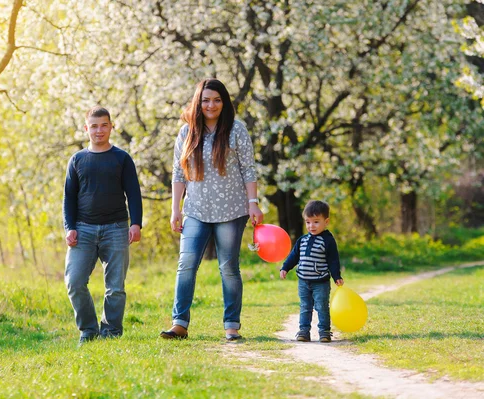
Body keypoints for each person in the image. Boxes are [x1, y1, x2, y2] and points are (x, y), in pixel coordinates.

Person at [160, 78, 263, 341]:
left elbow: (248, 169)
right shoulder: (186, 133)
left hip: (231, 210)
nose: (211, 105)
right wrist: (175, 210)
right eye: (206, 100)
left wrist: (253, 203)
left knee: (228, 267)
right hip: (195, 210)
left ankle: (231, 325)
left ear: (224, 102)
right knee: (186, 264)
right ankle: (179, 323)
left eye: (216, 100)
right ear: (198, 102)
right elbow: (178, 173)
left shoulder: (236, 130)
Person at [63, 106, 142, 344]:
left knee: (115, 287)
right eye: (94, 126)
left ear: (111, 127)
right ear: (86, 128)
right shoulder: (77, 160)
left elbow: (134, 194)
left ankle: (111, 332)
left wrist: (136, 223)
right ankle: (88, 330)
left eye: (104, 125)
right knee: (74, 282)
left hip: (117, 228)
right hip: (83, 229)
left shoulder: (122, 158)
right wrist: (70, 227)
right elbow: (69, 198)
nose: (99, 130)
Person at [280, 200, 344, 343]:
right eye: (308, 222)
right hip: (303, 281)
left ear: (326, 221)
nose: (311, 226)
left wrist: (336, 276)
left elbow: (333, 259)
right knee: (305, 306)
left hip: (320, 282)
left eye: (316, 222)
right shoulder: (302, 240)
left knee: (321, 307)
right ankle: (304, 331)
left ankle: (324, 332)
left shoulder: (327, 240)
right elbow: (294, 256)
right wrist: (285, 267)